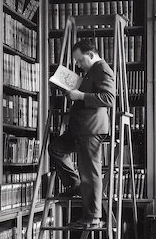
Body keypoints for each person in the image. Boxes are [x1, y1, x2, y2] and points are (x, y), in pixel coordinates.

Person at [48, 39, 115, 229]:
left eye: (80, 61)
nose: (78, 65)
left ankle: (93, 217)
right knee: (56, 148)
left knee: (90, 171)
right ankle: (76, 186)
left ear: (91, 55)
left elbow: (109, 98)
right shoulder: (90, 72)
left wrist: (80, 96)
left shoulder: (101, 69)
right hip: (79, 128)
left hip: (91, 129)